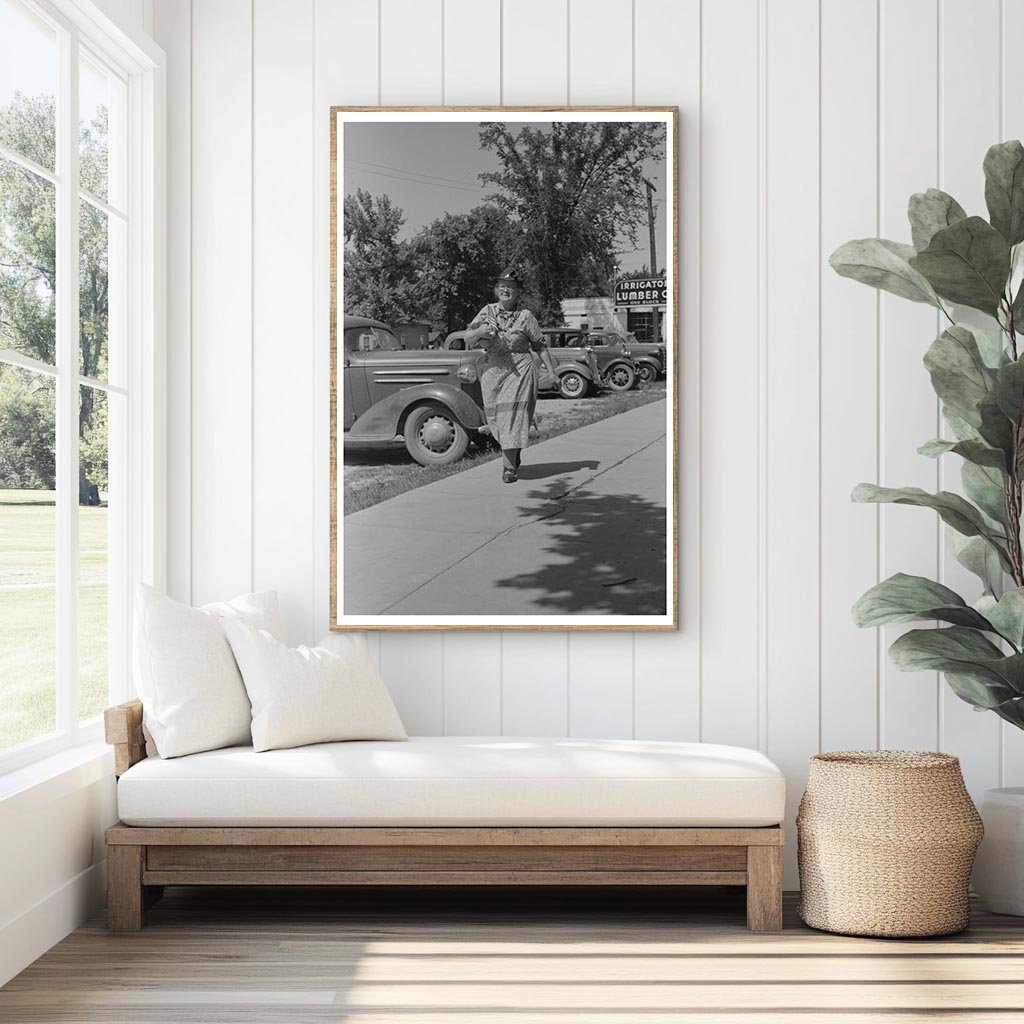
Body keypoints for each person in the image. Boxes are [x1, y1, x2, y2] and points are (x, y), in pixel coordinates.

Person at [464, 268, 559, 483]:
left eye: (512, 288)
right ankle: (513, 453)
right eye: (503, 287)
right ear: (497, 290)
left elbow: (540, 346)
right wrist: (481, 333)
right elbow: (468, 337)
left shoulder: (526, 317)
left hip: (520, 370)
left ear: (518, 293)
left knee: (511, 417)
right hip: (493, 371)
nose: (506, 290)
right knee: (497, 420)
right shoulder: (486, 312)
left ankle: (508, 468)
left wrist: (552, 372)